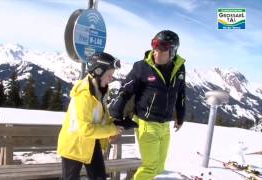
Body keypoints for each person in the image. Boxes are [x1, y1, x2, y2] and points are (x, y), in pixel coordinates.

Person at [110, 30, 186, 180]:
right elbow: (125, 91)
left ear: (173, 51)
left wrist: (180, 116)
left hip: (165, 125)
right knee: (150, 168)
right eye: (154, 46)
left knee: (159, 167)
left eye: (162, 48)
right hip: (146, 123)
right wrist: (116, 117)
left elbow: (181, 93)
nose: (156, 52)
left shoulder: (179, 68)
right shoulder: (142, 67)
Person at [57, 52, 124, 180]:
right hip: (74, 147)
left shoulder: (100, 90)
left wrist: (115, 125)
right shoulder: (84, 95)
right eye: (109, 75)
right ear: (98, 71)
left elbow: (101, 117)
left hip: (91, 143)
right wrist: (112, 130)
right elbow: (85, 129)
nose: (111, 79)